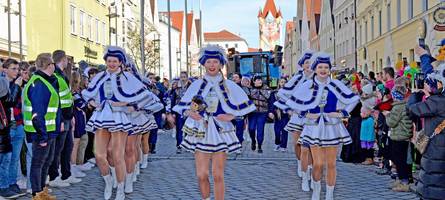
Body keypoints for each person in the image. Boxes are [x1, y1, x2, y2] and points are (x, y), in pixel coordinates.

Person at [173, 45, 255, 200]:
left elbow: (245, 107)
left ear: (221, 64)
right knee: (201, 175)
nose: (212, 65)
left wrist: (232, 116)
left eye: (215, 62)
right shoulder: (196, 85)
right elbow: (183, 106)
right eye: (209, 61)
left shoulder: (230, 86)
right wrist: (190, 112)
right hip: (200, 130)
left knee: (218, 175)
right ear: (204, 64)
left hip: (221, 130)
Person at [82, 46, 157, 200]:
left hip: (119, 117)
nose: (111, 64)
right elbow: (88, 93)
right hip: (102, 115)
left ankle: (121, 187)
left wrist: (128, 105)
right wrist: (92, 102)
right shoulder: (100, 76)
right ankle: (109, 182)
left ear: (120, 62)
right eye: (109, 61)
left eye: (114, 61)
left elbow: (146, 96)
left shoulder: (128, 78)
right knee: (99, 154)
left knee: (117, 154)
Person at [285, 53, 359, 200]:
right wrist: (305, 114)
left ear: (330, 69)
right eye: (320, 67)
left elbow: (353, 99)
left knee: (331, 164)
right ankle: (316, 189)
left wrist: (342, 113)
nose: (323, 70)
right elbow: (292, 103)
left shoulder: (335, 84)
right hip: (313, 127)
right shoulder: (307, 85)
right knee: (318, 163)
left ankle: (330, 194)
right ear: (315, 69)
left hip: (331, 127)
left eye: (326, 67)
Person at [23, 53, 62, 200]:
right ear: (49, 65)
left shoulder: (46, 81)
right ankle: (36, 193)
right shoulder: (38, 83)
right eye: (53, 64)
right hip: (40, 132)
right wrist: (42, 135)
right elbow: (37, 114)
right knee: (38, 163)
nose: (54, 66)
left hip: (49, 130)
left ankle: (42, 190)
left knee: (46, 162)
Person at [274, 50, 314, 190]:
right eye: (306, 63)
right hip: (298, 116)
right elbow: (282, 93)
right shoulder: (297, 79)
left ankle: (309, 168)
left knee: (310, 145)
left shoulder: (318, 78)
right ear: (302, 65)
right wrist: (291, 108)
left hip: (313, 116)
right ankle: (300, 162)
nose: (309, 65)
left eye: (311, 62)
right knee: (297, 143)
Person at [407, 66, 445, 200]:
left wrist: (416, 94)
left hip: (436, 147)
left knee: (434, 178)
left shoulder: (437, 101)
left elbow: (412, 110)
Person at [48, 50, 80, 188]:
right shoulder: (55, 76)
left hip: (67, 117)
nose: (68, 62)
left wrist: (71, 115)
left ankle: (66, 174)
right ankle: (54, 176)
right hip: (60, 118)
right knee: (57, 149)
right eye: (67, 59)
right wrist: (60, 119)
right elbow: (56, 101)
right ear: (63, 59)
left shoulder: (62, 75)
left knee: (68, 147)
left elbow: (67, 99)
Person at [2, 58, 26, 197]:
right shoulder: (3, 84)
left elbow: (20, 106)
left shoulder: (18, 84)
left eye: (18, 69)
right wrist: (16, 87)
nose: (17, 72)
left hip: (18, 124)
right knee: (6, 158)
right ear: (5, 70)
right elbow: (8, 102)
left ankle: (12, 183)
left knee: (15, 158)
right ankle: (4, 185)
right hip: (7, 126)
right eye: (13, 69)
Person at [171, 71, 191, 154]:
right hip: (179, 111)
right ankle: (179, 145)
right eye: (181, 77)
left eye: (184, 77)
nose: (183, 78)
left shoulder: (191, 87)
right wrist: (173, 112)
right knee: (179, 129)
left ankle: (187, 145)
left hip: (189, 110)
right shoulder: (177, 88)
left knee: (188, 129)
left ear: (187, 77)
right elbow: (173, 99)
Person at [271, 77, 290, 152]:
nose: (283, 83)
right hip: (277, 114)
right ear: (279, 83)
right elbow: (272, 103)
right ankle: (277, 143)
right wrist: (272, 112)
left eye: (284, 82)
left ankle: (283, 146)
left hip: (285, 113)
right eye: (281, 82)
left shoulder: (289, 93)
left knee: (285, 129)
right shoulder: (274, 93)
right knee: (277, 131)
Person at [231, 73, 246, 150]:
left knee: (239, 130)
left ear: (240, 79)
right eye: (233, 77)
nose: (234, 79)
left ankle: (238, 145)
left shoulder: (243, 89)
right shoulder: (228, 88)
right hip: (230, 112)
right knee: (230, 130)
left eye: (236, 77)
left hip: (240, 112)